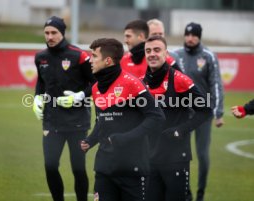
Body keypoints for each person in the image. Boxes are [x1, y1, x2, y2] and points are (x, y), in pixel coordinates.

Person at [80, 38, 165, 201]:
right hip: (104, 168)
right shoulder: (96, 88)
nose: (90, 60)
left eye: (94, 56)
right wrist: (90, 140)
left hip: (132, 169)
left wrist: (125, 138)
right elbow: (102, 120)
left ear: (108, 60)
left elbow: (157, 117)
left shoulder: (133, 84)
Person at [32, 16, 95, 201]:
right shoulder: (40, 57)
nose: (50, 36)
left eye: (54, 32)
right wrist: (37, 98)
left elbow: (96, 83)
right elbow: (41, 83)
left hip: (77, 122)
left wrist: (80, 96)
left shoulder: (79, 56)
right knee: (50, 166)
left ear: (62, 33)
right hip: (52, 121)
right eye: (47, 33)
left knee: (78, 168)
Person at [143, 35, 212, 201]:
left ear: (166, 53)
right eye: (148, 51)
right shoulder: (141, 83)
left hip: (175, 159)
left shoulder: (181, 80)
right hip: (148, 159)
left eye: (157, 50)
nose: (152, 54)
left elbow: (205, 110)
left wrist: (180, 130)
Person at [174, 22, 224, 201]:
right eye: (187, 35)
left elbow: (216, 84)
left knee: (202, 155)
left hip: (203, 114)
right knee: (182, 155)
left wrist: (218, 113)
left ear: (199, 37)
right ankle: (186, 193)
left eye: (194, 35)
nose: (190, 38)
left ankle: (200, 194)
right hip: (183, 114)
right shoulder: (176, 55)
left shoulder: (209, 56)